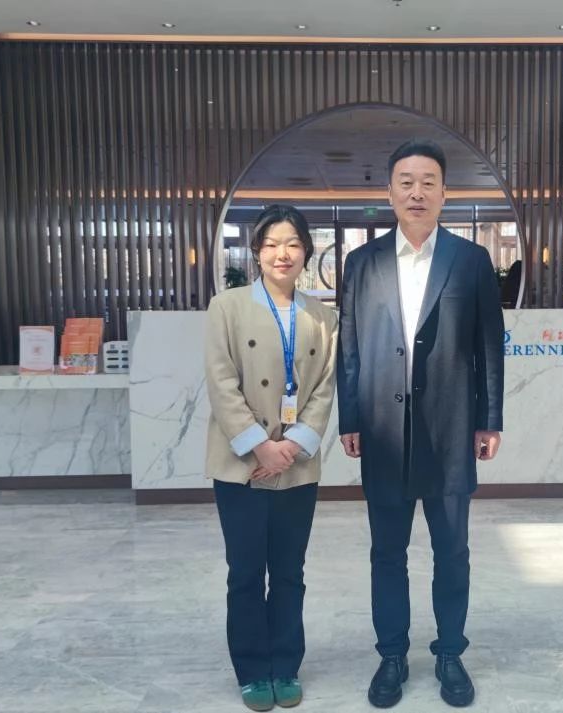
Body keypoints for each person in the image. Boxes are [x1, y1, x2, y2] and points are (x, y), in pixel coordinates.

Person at [337, 139, 505, 708]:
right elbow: (349, 348)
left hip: (451, 431)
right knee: (387, 553)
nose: (417, 192)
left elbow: (489, 347)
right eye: (405, 182)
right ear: (389, 193)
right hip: (383, 430)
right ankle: (391, 655)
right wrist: (350, 416)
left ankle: (450, 652)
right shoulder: (362, 263)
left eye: (428, 182)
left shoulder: (470, 260)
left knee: (451, 552)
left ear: (443, 193)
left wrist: (489, 419)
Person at [204, 204, 338, 711]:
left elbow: (324, 389)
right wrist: (260, 444)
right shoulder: (227, 307)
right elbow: (221, 382)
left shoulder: (323, 316)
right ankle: (252, 671)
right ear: (257, 251)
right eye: (272, 244)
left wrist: (292, 446)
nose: (283, 253)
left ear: (306, 252)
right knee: (244, 572)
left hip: (296, 466)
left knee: (289, 572)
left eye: (293, 244)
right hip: (240, 463)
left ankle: (285, 664)